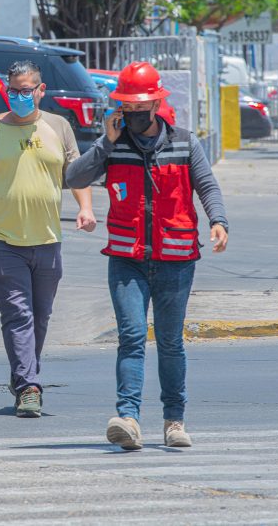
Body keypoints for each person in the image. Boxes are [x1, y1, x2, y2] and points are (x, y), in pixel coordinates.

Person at [66, 61, 229, 451]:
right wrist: (105, 143)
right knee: (132, 338)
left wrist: (218, 221)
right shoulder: (113, 145)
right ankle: (128, 419)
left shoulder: (185, 142)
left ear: (156, 104)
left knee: (171, 342)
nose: (134, 116)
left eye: (141, 109)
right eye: (128, 109)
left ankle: (174, 422)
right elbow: (73, 179)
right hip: (126, 260)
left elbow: (207, 185)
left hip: (176, 259)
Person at [0, 60, 97, 419]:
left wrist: (85, 208)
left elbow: (77, 172)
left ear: (41, 90)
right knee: (18, 315)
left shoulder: (59, 126)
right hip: (0, 240)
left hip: (48, 239)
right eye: (14, 90)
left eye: (27, 90)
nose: (20, 96)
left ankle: (24, 374)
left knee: (40, 317)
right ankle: (28, 387)